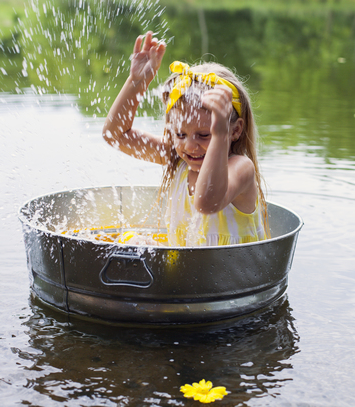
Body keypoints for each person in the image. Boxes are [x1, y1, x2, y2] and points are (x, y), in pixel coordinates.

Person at [102, 31, 268, 247]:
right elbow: (114, 135)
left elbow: (207, 203)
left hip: (236, 276)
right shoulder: (177, 158)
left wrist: (219, 134)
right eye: (180, 134)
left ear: (234, 131)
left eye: (205, 135)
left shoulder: (240, 168)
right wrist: (137, 82)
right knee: (132, 240)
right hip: (186, 276)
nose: (190, 146)